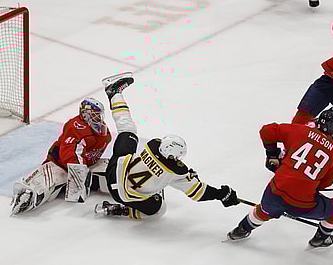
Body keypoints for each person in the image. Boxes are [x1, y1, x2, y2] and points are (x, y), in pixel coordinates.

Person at [94, 72, 240, 220]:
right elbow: (198, 193)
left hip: (115, 171)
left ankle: (114, 93)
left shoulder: (154, 145)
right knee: (159, 210)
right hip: (124, 196)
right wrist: (221, 195)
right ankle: (119, 210)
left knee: (127, 129)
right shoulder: (175, 170)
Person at [226, 109, 333, 248]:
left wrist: (272, 155)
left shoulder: (300, 130)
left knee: (263, 210)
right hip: (302, 204)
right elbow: (326, 183)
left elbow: (267, 131)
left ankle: (242, 229)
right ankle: (321, 238)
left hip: (274, 193)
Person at [11, 98, 112, 215]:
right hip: (59, 165)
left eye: (99, 115)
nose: (98, 118)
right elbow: (69, 155)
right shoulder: (75, 127)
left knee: (114, 169)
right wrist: (78, 173)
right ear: (86, 114)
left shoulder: (102, 130)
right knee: (43, 183)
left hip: (87, 165)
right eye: (95, 115)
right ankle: (27, 196)